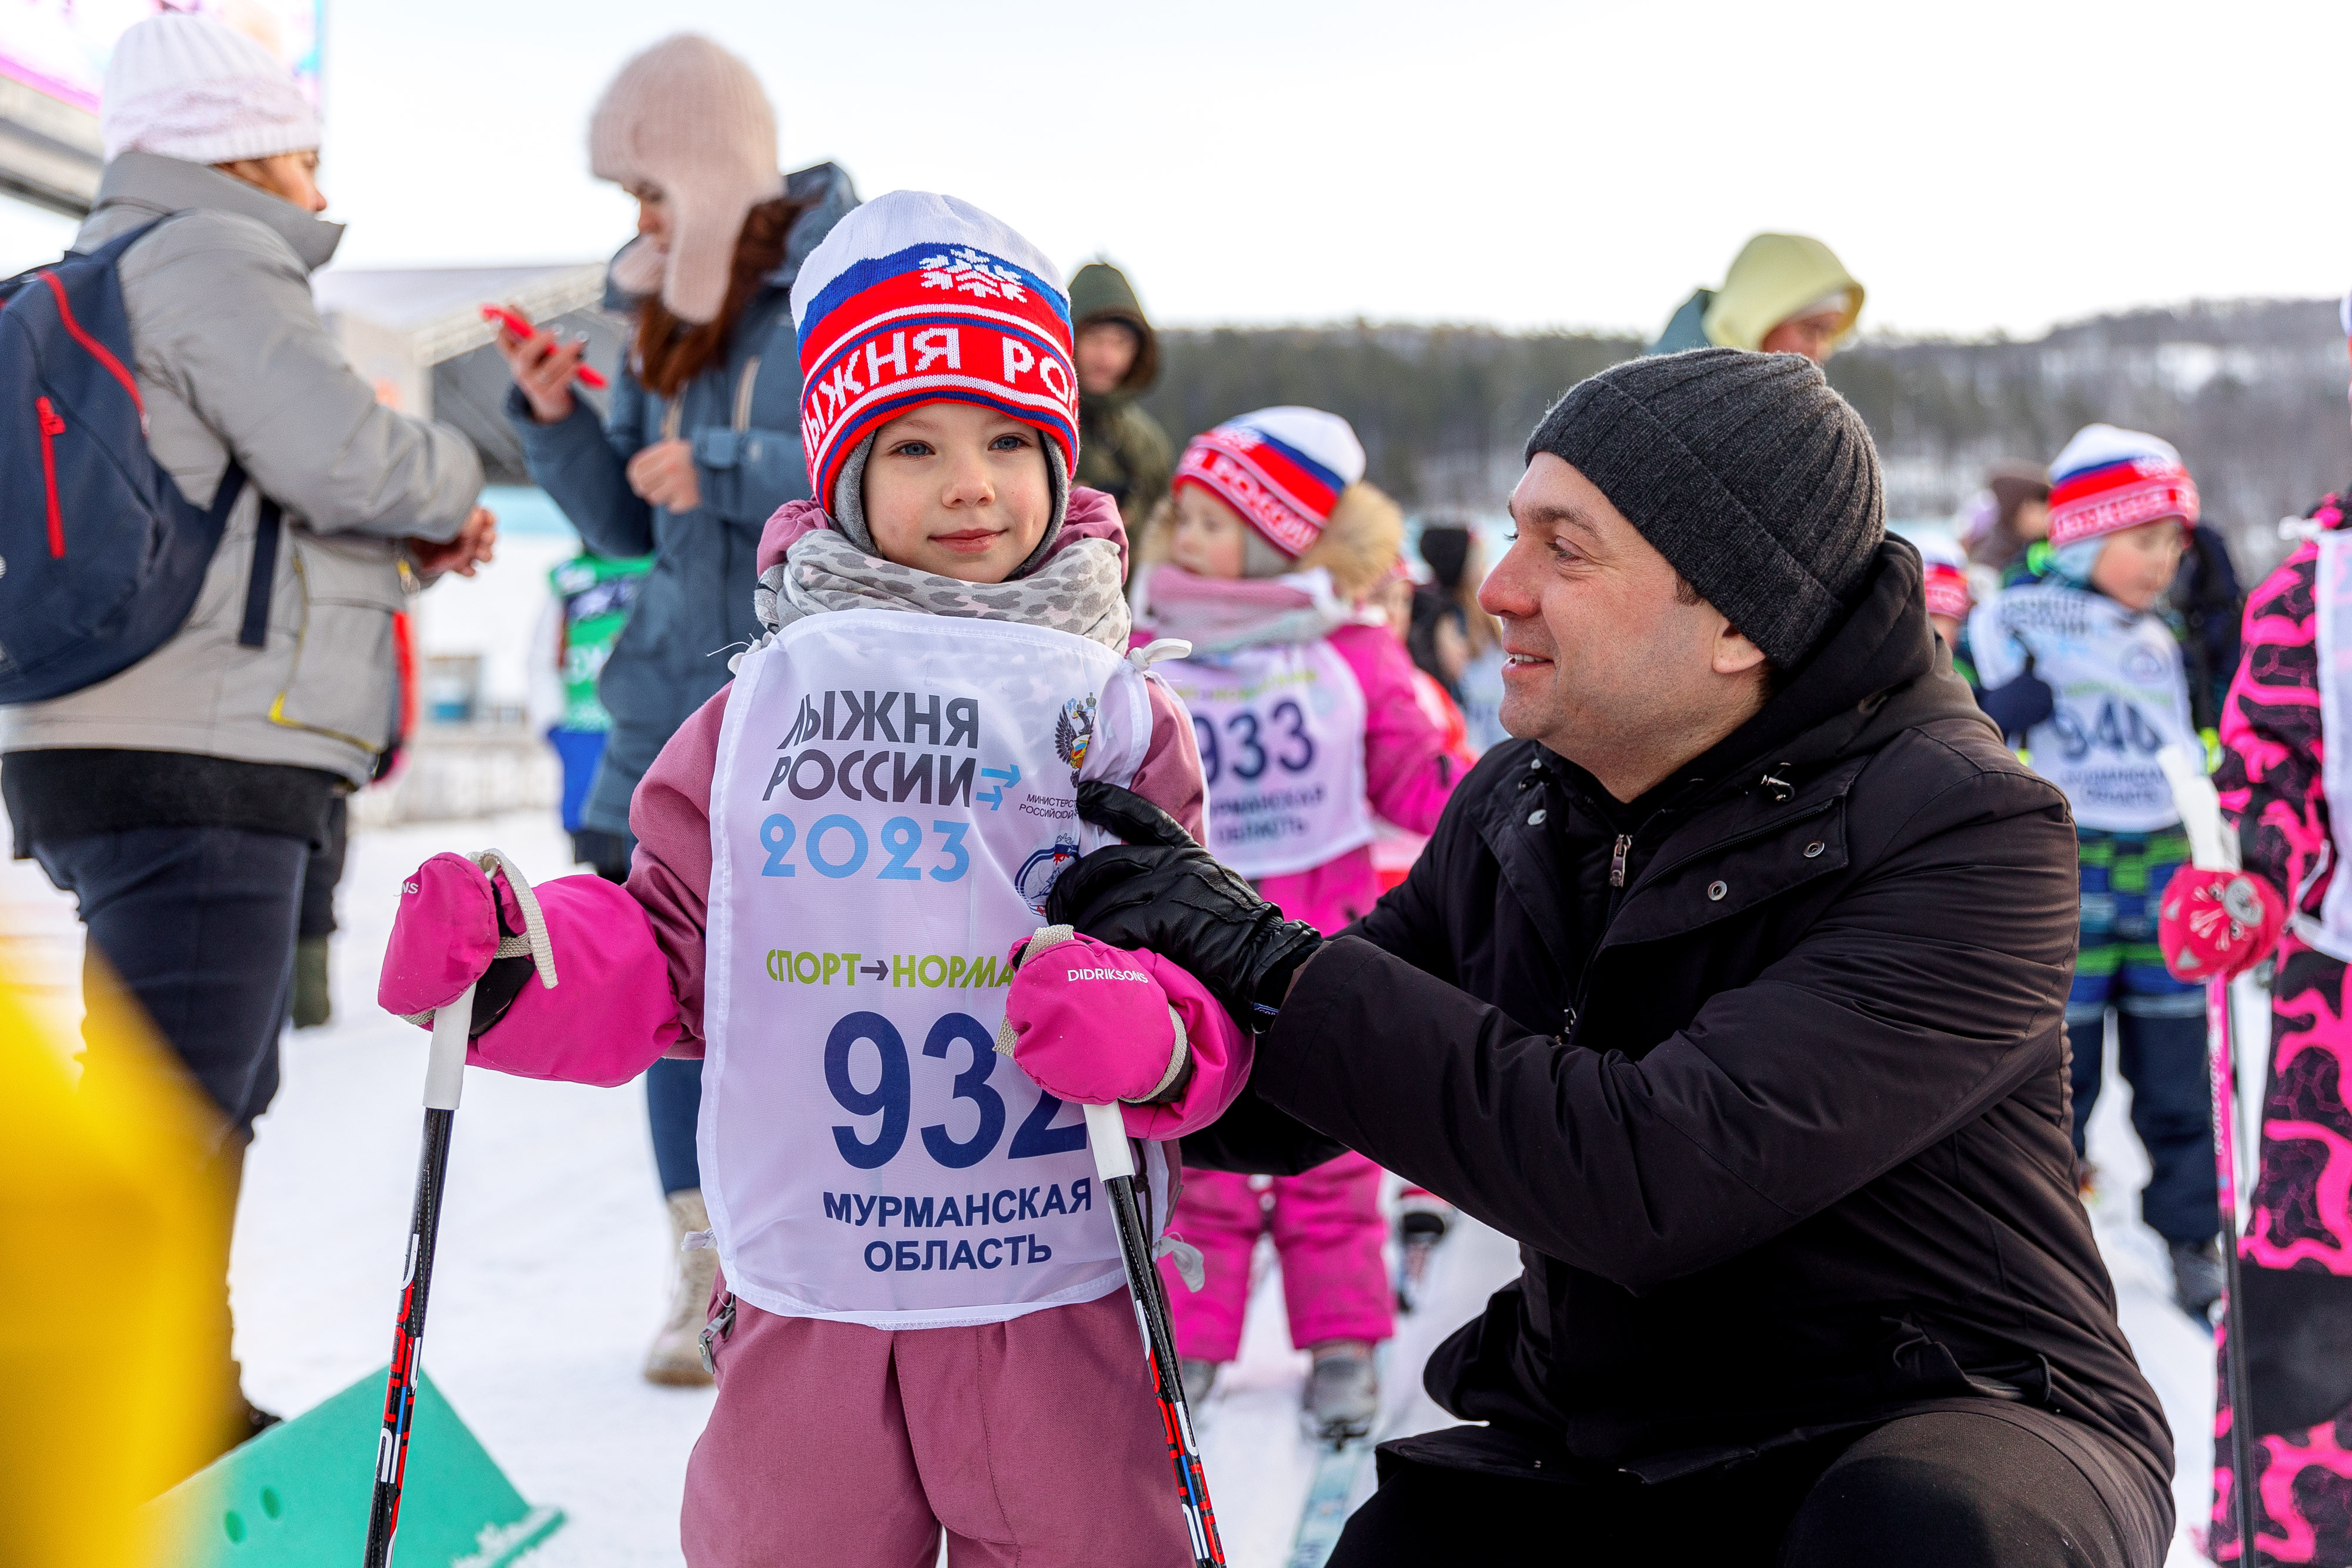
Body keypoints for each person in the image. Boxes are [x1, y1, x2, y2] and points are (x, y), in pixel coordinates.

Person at [1039, 348, 2174, 1565]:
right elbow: (1311, 1074)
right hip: (1624, 1430)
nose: (1499, 588)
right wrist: (1155, 1033)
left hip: (1949, 1417)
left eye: (1562, 548)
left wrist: (1269, 956)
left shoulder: (1967, 830)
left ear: (1739, 617)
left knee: (1912, 1539)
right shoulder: (1527, 799)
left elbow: (1655, 1171)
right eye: (1513, 533)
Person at [380, 191, 1249, 1566]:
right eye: (912, 446)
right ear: (838, 474)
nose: (969, 483)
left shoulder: (1122, 714)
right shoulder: (757, 715)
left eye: (1009, 443)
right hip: (815, 1289)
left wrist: (1149, 1031)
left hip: (1055, 1286)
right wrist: (515, 957)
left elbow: (1215, 988)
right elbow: (674, 956)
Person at [0, 12, 492, 1460]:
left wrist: (402, 561)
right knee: (171, 1120)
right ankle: (85, 1433)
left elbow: (240, 536)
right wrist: (449, 467)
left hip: (114, 725)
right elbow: (346, 452)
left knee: (196, 1098)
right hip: (205, 751)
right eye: (302, 145)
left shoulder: (98, 276)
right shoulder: (214, 259)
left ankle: (180, 1408)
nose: (317, 175)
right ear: (246, 144)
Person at [493, 33, 857, 1385]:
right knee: (669, 997)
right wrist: (554, 425)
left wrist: (718, 456)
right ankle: (703, 1275)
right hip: (663, 707)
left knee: (816, 994)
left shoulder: (839, 284)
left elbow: (874, 467)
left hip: (801, 709)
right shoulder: (654, 301)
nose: (635, 223)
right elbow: (619, 524)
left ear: (709, 176)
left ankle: (820, 1262)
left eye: (650, 190)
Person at [1130, 407, 1470, 1436]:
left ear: (1281, 536)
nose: (1183, 536)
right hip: (1187, 950)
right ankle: (1190, 1341)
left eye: (1211, 520)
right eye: (1178, 517)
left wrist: (1491, 810)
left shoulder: (1353, 648)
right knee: (1204, 1152)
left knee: (1333, 1160)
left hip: (1321, 945)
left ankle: (1341, 1346)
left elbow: (1412, 773)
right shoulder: (1146, 643)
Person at [1967, 424, 2221, 1319]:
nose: (2163, 562)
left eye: (2173, 545)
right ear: (2087, 533)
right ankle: (2041, 1244)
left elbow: (2202, 741)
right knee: (2052, 1074)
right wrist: (1991, 712)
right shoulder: (2010, 617)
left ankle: (2193, 1236)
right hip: (2060, 878)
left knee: (2179, 1074)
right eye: (2144, 540)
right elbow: (1942, 725)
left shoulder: (2163, 634)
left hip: (2158, 874)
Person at [2158, 473, 2352, 1566]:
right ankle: (2300, 1536)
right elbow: (2275, 777)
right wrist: (2249, 883)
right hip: (2344, 1006)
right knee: (2313, 1299)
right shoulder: (2314, 587)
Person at [1069, 260, 1174, 537]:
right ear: (1067, 335)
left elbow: (1165, 536)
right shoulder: (1032, 423)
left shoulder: (1148, 442)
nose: (1107, 358)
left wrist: (1133, 519)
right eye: (1095, 339)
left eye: (1121, 343)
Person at [1650, 232, 1863, 363]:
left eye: (1827, 335)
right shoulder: (1664, 396)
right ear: (1756, 318)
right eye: (1811, 329)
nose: (1820, 351)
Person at [1960, 463, 2053, 573]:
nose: (2046, 519)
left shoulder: (2044, 548)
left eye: (2047, 511)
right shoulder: (1992, 557)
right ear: (2014, 511)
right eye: (2037, 512)